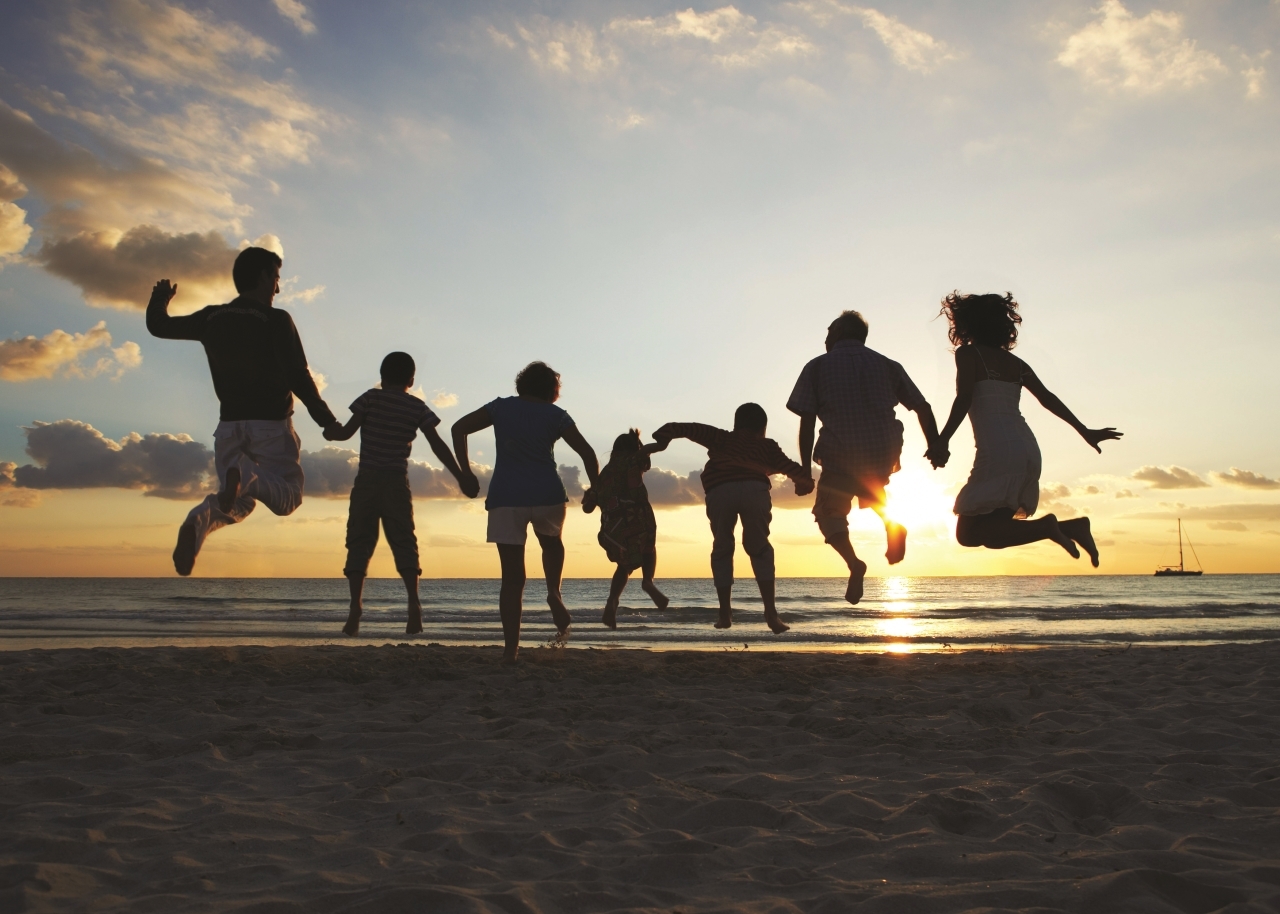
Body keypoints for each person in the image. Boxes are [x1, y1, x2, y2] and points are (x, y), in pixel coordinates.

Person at [146, 247, 341, 576]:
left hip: (228, 428)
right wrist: (328, 421)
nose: (277, 289)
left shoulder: (211, 317)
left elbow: (159, 326)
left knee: (235, 503)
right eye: (276, 279)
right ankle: (247, 475)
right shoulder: (276, 320)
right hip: (271, 427)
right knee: (289, 498)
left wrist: (160, 297)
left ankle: (199, 521)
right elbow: (298, 375)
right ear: (264, 276)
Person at [928, 292, 1121, 565]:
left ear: (969, 324)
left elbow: (964, 398)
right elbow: (1048, 399)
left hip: (1000, 451)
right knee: (983, 535)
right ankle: (1071, 528)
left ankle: (1047, 527)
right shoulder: (1017, 364)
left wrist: (943, 440)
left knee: (968, 535)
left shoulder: (969, 354)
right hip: (1026, 450)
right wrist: (1084, 430)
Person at [786, 311, 940, 605]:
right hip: (882, 450)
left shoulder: (817, 367)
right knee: (871, 486)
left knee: (829, 513)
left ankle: (854, 563)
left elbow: (806, 422)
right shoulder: (887, 365)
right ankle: (892, 523)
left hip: (840, 452)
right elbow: (923, 406)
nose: (826, 336)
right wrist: (935, 445)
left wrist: (804, 471)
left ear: (841, 331)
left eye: (829, 330)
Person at [452, 361, 599, 664]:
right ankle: (554, 592)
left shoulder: (500, 408)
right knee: (552, 544)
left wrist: (465, 472)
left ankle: (511, 651)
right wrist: (594, 488)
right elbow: (587, 452)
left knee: (512, 579)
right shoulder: (557, 415)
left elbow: (459, 428)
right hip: (547, 494)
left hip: (507, 497)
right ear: (552, 390)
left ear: (521, 385)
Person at [323, 351, 478, 636]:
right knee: (404, 542)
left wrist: (330, 433)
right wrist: (461, 476)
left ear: (381, 377)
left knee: (359, 541)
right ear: (411, 379)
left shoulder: (369, 398)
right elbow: (437, 445)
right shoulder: (417, 407)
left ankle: (355, 606)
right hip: (396, 482)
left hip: (367, 481)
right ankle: (414, 605)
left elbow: (345, 433)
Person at [654, 404, 813, 634]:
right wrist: (803, 483)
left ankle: (725, 613)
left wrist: (663, 436)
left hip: (720, 490)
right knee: (759, 549)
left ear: (736, 425)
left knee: (722, 548)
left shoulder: (722, 438)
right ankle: (771, 614)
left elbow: (690, 429)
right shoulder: (767, 445)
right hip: (754, 489)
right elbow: (794, 469)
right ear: (763, 429)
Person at [582, 429, 670, 629]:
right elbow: (650, 449)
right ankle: (648, 581)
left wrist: (590, 498)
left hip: (614, 530)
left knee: (624, 565)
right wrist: (662, 443)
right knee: (648, 548)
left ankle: (612, 601)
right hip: (637, 519)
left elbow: (588, 507)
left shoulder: (604, 474)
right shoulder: (634, 459)